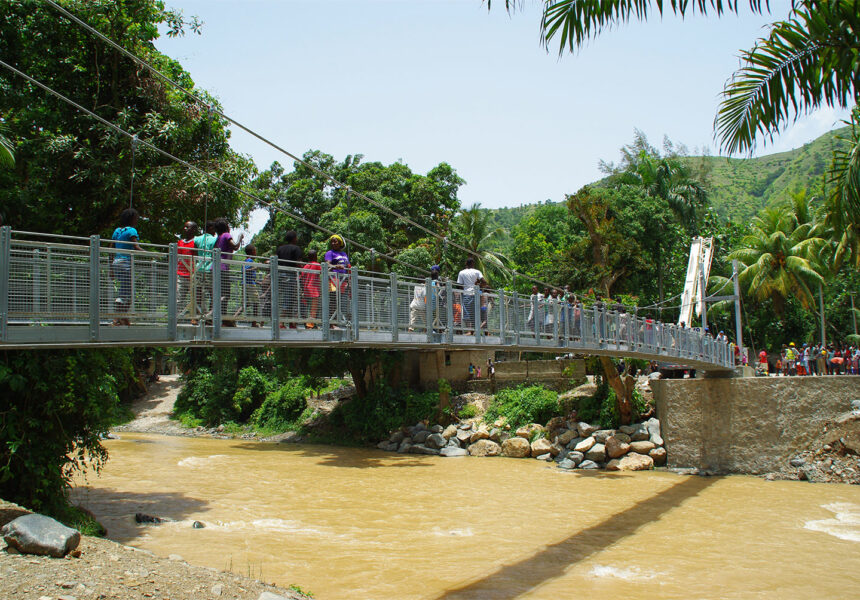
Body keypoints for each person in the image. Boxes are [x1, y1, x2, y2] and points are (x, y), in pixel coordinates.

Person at [111, 208, 144, 326]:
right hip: (125, 263)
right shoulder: (131, 230)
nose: (137, 220)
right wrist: (148, 253)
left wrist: (111, 268)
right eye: (136, 218)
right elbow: (135, 246)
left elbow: (111, 249)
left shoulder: (117, 231)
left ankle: (122, 317)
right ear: (132, 219)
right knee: (127, 291)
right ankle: (118, 318)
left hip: (116, 262)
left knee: (124, 290)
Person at [214, 218, 243, 325]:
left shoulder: (218, 238)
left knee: (219, 294)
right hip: (223, 268)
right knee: (226, 294)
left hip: (215, 267)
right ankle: (219, 317)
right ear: (226, 227)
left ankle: (222, 318)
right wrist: (240, 238)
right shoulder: (226, 235)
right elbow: (235, 246)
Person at [276, 230, 303, 328]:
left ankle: (291, 322)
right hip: (290, 275)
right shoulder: (296, 248)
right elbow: (298, 263)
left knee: (289, 298)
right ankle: (281, 322)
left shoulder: (280, 248)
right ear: (294, 238)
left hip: (280, 275)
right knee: (289, 299)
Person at [193, 221, 217, 322]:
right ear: (211, 228)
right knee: (212, 294)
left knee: (198, 293)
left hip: (198, 268)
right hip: (209, 269)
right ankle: (209, 317)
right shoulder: (214, 239)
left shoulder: (196, 239)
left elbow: (194, 252)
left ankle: (197, 316)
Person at [325, 234, 350, 324]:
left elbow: (348, 266)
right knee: (333, 300)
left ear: (340, 243)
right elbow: (327, 264)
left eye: (335, 241)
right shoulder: (330, 253)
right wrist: (336, 266)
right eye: (332, 241)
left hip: (343, 280)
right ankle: (332, 323)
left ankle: (338, 322)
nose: (333, 243)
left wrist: (349, 281)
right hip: (333, 279)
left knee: (340, 301)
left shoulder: (344, 254)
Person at [177, 221, 198, 319]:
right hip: (181, 274)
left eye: (187, 227)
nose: (185, 229)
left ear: (193, 230)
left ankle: (194, 318)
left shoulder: (196, 242)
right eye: (184, 227)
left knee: (195, 298)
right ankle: (177, 318)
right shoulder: (180, 242)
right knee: (179, 298)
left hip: (193, 274)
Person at [456, 258, 483, 335]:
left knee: (467, 313)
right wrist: (478, 284)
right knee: (474, 313)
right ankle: (473, 331)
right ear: (473, 264)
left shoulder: (461, 272)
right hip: (476, 294)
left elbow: (459, 285)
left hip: (466, 294)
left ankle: (469, 331)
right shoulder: (477, 272)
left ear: (466, 264)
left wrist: (462, 292)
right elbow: (484, 282)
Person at [300, 249, 322, 328]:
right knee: (313, 309)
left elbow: (301, 277)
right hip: (314, 290)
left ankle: (309, 324)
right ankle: (310, 325)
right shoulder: (317, 265)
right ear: (316, 256)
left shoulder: (306, 266)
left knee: (307, 308)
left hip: (306, 290)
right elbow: (323, 272)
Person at [241, 244, 260, 326]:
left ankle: (234, 317)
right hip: (249, 284)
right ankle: (254, 322)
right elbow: (246, 270)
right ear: (252, 252)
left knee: (246, 303)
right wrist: (255, 268)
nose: (256, 253)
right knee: (256, 302)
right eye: (255, 251)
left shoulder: (246, 260)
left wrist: (258, 282)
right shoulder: (250, 261)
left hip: (246, 283)